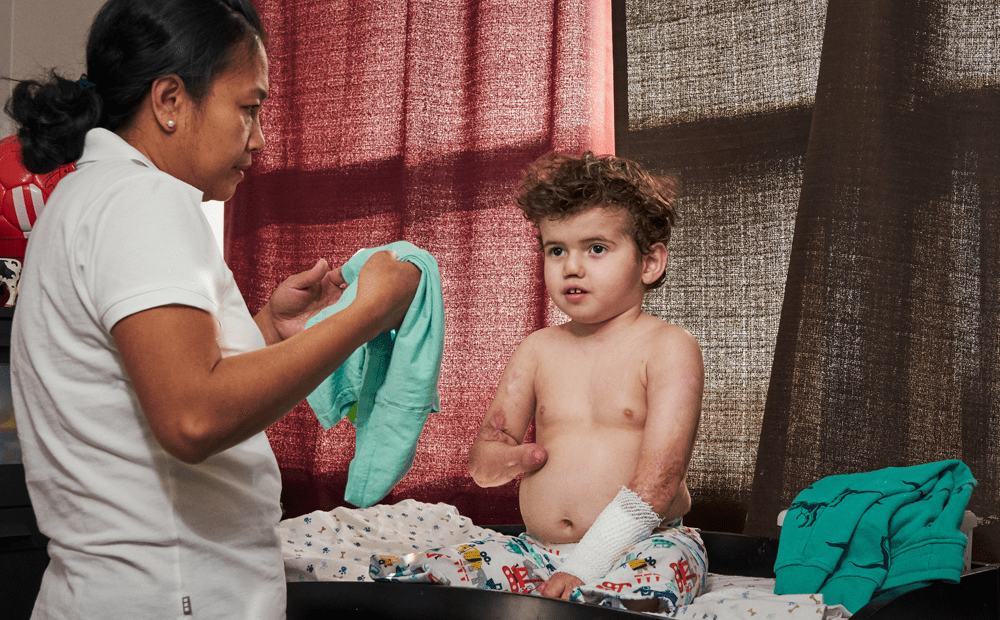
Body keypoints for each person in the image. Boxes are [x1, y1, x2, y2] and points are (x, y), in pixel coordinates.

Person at [8, 1, 419, 618]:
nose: (260, 138)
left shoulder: (88, 195)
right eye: (248, 108)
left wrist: (267, 331)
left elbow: (144, 382)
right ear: (170, 99)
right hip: (168, 594)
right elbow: (193, 416)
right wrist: (366, 313)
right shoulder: (143, 200)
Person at [371, 152, 706, 613]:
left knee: (666, 566)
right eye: (556, 250)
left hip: (642, 544)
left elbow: (661, 478)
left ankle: (603, 600)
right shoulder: (538, 350)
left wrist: (587, 564)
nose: (572, 267)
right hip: (539, 551)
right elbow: (483, 464)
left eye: (597, 248)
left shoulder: (668, 347)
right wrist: (512, 457)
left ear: (650, 262)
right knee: (433, 571)